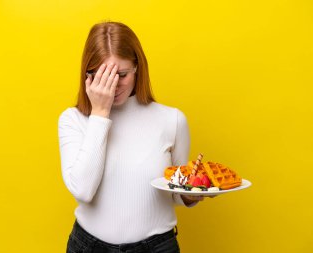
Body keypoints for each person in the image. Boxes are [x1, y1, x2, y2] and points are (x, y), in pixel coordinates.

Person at [58, 21, 206, 253]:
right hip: (89, 247)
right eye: (101, 76)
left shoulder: (172, 120)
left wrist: (193, 193)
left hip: (156, 247)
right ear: (87, 75)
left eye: (121, 74)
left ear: (137, 67)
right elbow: (83, 191)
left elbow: (176, 195)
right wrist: (100, 114)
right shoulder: (72, 120)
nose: (112, 85)